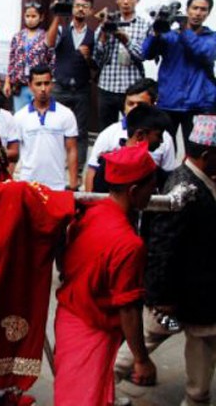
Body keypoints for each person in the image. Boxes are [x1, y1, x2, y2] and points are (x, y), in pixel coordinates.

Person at [54, 143, 158, 406]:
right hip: (92, 327)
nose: (155, 192)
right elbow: (129, 309)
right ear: (134, 191)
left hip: (69, 317)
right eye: (151, 187)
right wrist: (141, 358)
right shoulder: (129, 245)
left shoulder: (90, 214)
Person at [142, 115, 216, 406]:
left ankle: (197, 398)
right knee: (146, 340)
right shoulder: (183, 189)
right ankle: (98, 386)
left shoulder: (204, 181)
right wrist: (161, 297)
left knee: (203, 347)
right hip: (172, 300)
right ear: (207, 156)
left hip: (202, 299)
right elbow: (162, 247)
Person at [142, 0, 216, 152]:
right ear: (188, 10)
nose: (198, 13)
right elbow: (146, 54)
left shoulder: (212, 38)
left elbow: (204, 53)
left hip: (198, 105)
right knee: (163, 150)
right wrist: (155, 32)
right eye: (194, 8)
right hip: (168, 103)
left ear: (208, 13)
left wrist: (184, 30)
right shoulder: (170, 36)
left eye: (203, 9)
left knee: (197, 152)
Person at [85, 79, 177, 192]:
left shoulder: (165, 139)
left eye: (140, 105)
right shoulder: (108, 134)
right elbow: (92, 171)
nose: (134, 109)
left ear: (152, 105)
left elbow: (168, 181)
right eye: (130, 103)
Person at [47, 0, 96, 172]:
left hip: (82, 89)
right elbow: (49, 43)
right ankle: (55, 163)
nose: (80, 9)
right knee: (55, 126)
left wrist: (88, 57)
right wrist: (58, 15)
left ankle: (79, 166)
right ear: (72, 8)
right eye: (77, 5)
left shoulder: (93, 35)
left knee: (81, 131)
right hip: (60, 87)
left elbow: (95, 65)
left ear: (90, 11)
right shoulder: (62, 29)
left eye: (85, 6)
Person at [93, 0, 151, 128]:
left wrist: (125, 40)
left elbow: (142, 55)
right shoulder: (107, 22)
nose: (126, 1)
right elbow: (97, 56)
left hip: (132, 88)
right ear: (116, 0)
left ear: (137, 0)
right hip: (107, 85)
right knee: (105, 131)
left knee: (134, 128)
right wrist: (104, 34)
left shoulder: (145, 25)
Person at [13, 64, 79, 191]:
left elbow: (72, 150)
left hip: (57, 185)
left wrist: (73, 183)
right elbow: (14, 153)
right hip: (28, 185)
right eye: (38, 84)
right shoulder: (19, 117)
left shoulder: (66, 114)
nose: (43, 88)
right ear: (30, 86)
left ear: (52, 84)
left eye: (46, 83)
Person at [4, 2, 55, 111]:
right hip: (20, 85)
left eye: (33, 16)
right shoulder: (17, 37)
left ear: (41, 18)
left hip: (38, 86)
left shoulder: (45, 36)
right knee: (19, 117)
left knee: (38, 115)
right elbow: (12, 60)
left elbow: (52, 61)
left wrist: (49, 83)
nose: (30, 19)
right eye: (27, 16)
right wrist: (8, 82)